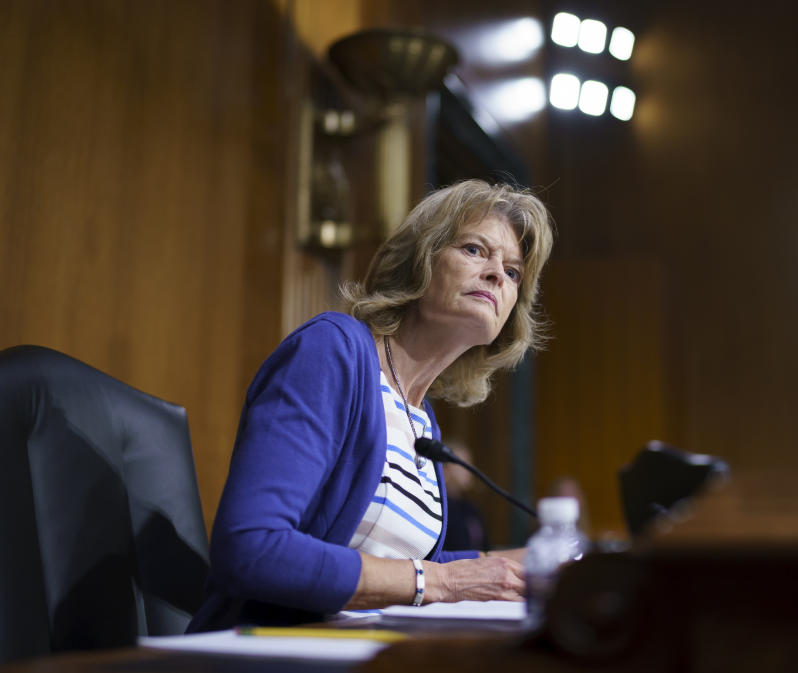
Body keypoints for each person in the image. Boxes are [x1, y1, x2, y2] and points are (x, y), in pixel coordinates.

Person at [188, 179, 554, 630]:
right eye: (476, 250)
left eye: (514, 272)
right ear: (420, 260)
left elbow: (404, 561)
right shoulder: (333, 351)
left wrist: (512, 565)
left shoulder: (420, 419)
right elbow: (252, 548)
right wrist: (442, 580)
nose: (498, 274)